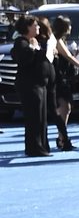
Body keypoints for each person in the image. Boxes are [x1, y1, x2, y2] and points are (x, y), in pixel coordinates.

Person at [11, 15, 50, 156]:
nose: (38, 27)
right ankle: (34, 147)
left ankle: (43, 145)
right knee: (34, 117)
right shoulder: (21, 42)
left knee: (42, 116)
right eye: (35, 25)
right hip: (29, 85)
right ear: (28, 27)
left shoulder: (35, 41)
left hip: (40, 83)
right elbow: (24, 59)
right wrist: (33, 48)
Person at [51, 15, 79, 151]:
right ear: (64, 28)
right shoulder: (55, 39)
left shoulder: (60, 40)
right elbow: (67, 55)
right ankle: (62, 137)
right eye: (69, 25)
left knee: (65, 108)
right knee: (65, 107)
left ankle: (62, 136)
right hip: (58, 78)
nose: (71, 28)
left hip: (62, 77)